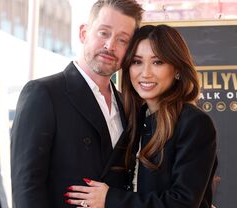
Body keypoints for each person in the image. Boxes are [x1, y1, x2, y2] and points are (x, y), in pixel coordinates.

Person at [65, 24, 218, 208]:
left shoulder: (194, 123)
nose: (145, 73)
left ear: (177, 69)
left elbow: (183, 202)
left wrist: (110, 199)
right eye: (137, 62)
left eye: (157, 62)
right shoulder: (133, 119)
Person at [10, 0, 143, 207]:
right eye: (103, 33)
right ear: (83, 33)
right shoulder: (43, 93)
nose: (110, 46)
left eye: (122, 39)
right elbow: (26, 186)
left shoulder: (128, 104)